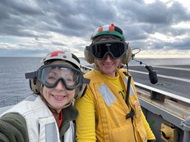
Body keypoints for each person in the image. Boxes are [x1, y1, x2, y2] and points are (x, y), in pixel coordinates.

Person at [74, 24, 156, 142]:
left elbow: (138, 113)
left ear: (125, 54)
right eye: (101, 51)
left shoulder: (126, 77)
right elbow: (86, 137)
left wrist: (150, 137)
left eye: (115, 51)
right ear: (91, 55)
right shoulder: (86, 85)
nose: (108, 59)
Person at [0, 50, 90, 142]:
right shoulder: (22, 118)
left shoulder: (71, 119)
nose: (59, 87)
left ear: (79, 88)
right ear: (39, 83)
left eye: (68, 79)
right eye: (51, 78)